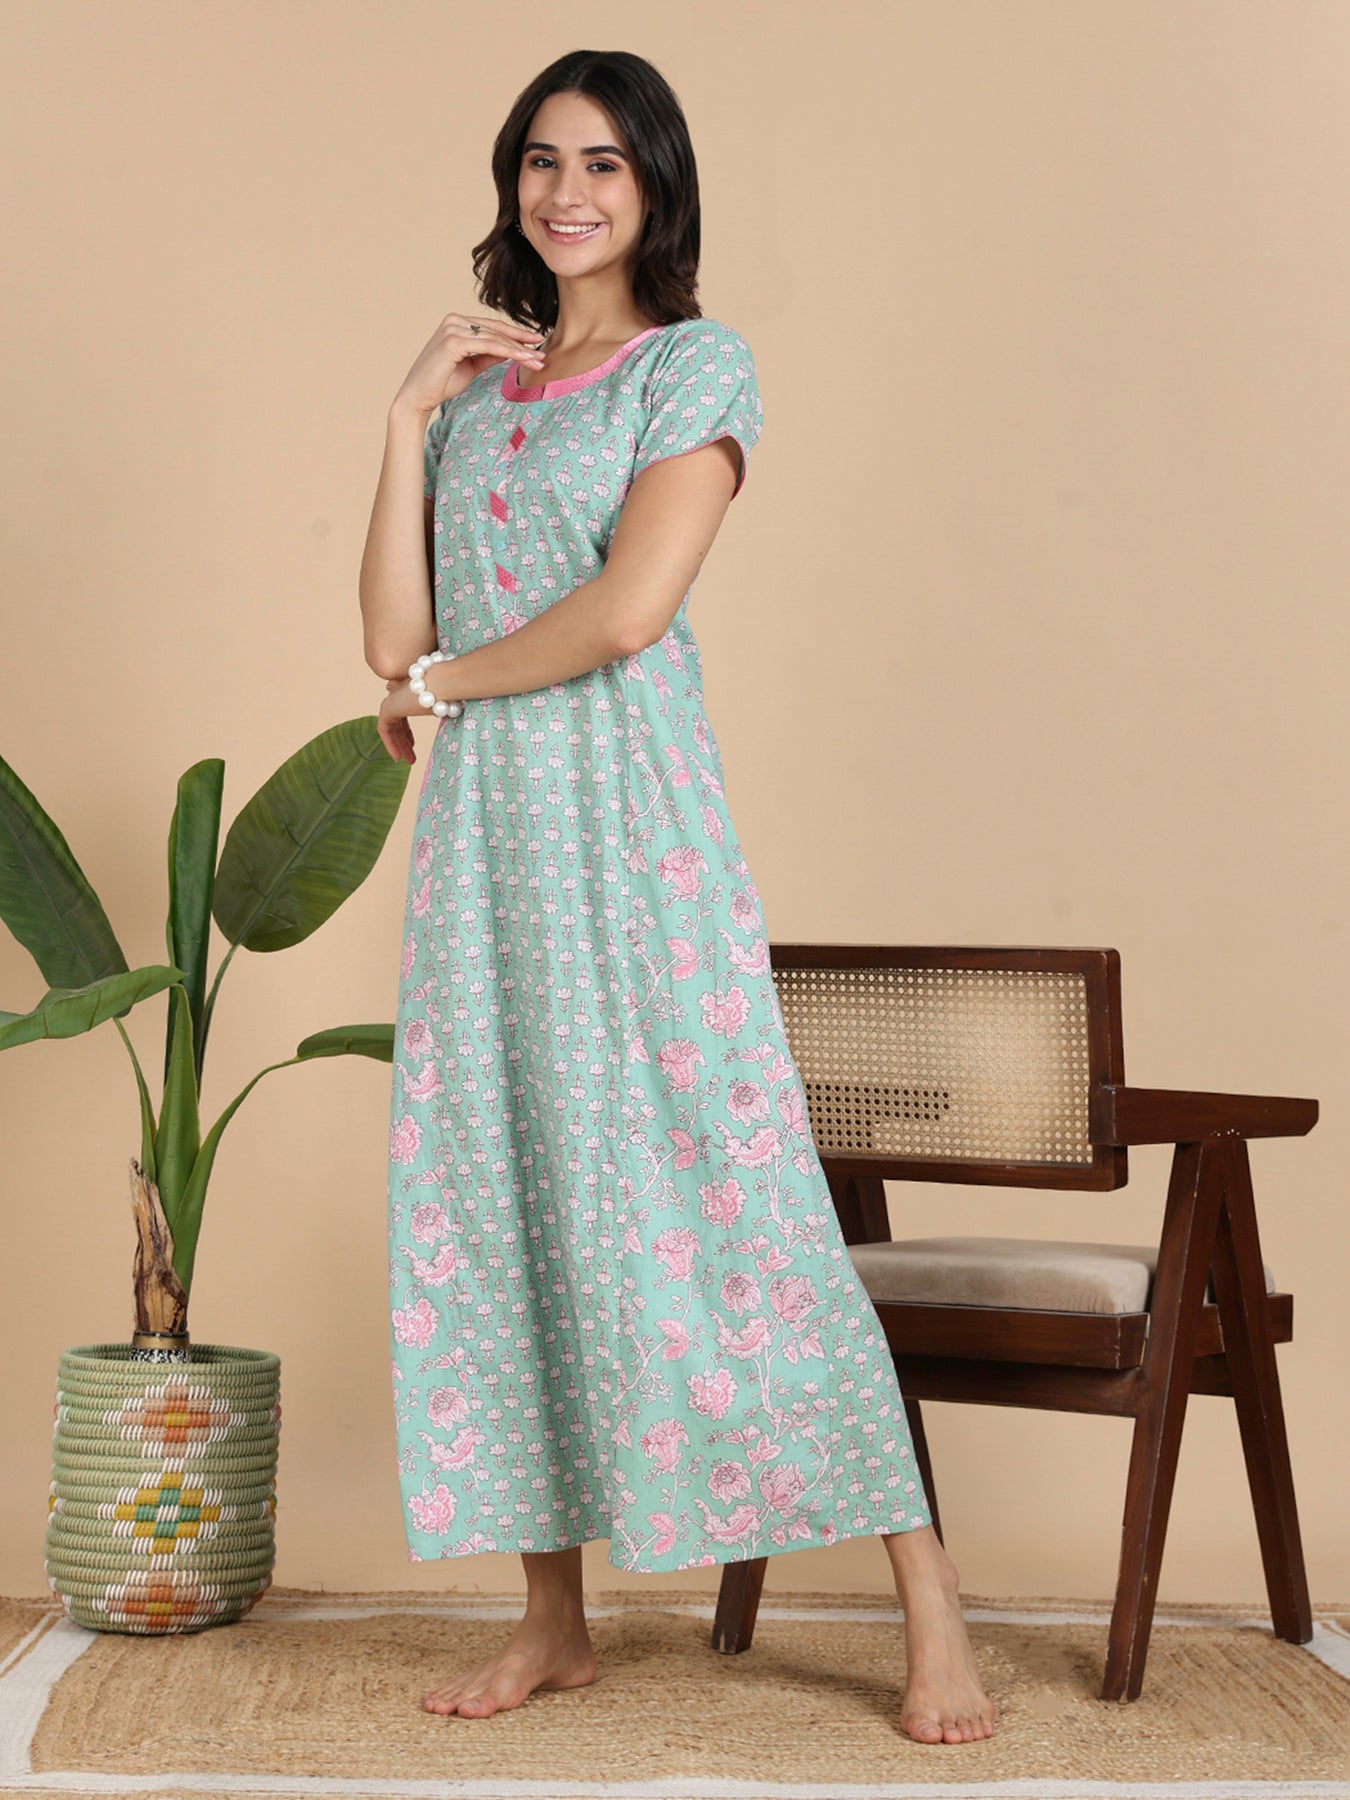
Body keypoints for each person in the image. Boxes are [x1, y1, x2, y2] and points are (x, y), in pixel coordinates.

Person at [358, 47, 996, 1747]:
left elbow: (626, 612)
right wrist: (403, 419)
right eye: (541, 160)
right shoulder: (478, 397)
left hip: (628, 841)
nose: (566, 193)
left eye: (604, 165)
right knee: (498, 1195)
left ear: (654, 187)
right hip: (481, 860)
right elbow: (387, 637)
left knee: (733, 1198)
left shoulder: (692, 368)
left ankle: (927, 1595)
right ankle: (551, 1618)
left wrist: (441, 682)